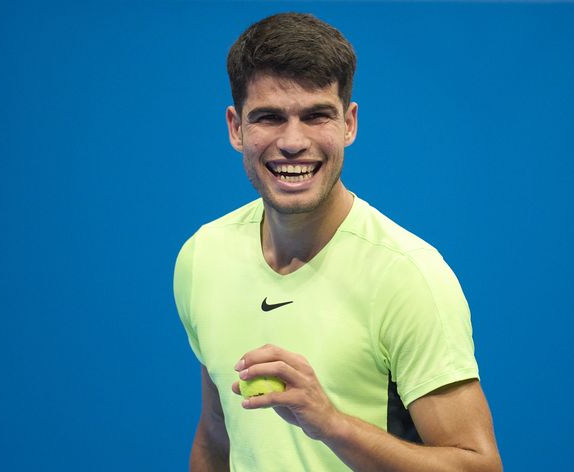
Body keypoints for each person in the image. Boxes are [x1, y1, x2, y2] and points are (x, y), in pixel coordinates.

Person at [173, 12, 502, 472]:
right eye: (269, 117)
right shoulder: (204, 256)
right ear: (236, 128)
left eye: (316, 116)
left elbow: (479, 466)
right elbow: (215, 437)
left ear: (348, 123)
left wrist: (331, 424)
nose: (293, 141)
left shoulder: (407, 276)